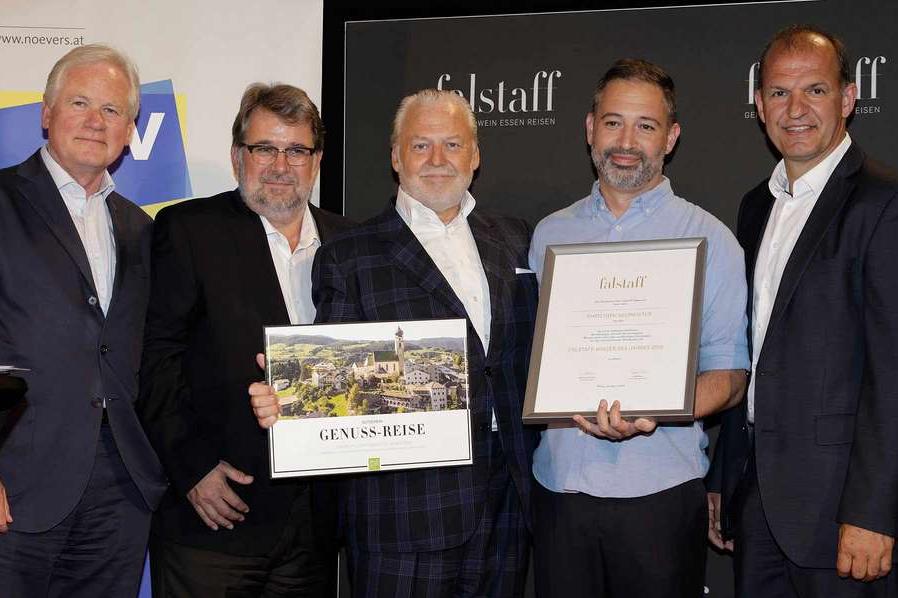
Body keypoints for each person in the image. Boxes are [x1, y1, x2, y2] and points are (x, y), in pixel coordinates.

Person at [250, 88, 540, 597]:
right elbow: (335, 382)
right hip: (404, 513)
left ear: (475, 155)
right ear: (395, 157)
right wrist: (289, 401)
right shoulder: (349, 254)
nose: (437, 159)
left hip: (508, 502)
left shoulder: (516, 239)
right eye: (420, 145)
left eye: (453, 145)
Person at [527, 59, 749, 598]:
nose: (626, 142)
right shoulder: (549, 235)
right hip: (560, 491)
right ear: (590, 129)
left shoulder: (712, 239)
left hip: (661, 495)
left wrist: (659, 408)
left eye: (645, 126)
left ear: (670, 138)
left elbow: (730, 375)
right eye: (613, 122)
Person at [138, 83, 353, 597]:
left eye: (296, 150)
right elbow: (154, 360)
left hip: (316, 523)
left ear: (317, 160)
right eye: (264, 149)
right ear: (238, 156)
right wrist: (193, 470)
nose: (281, 165)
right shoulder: (190, 229)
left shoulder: (351, 241)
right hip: (216, 515)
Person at [709, 25, 898, 597]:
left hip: (843, 512)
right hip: (759, 502)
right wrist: (725, 477)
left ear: (848, 98)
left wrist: (874, 512)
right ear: (759, 103)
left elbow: (893, 372)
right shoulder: (755, 206)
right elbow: (753, 350)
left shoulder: (883, 202)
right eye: (778, 92)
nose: (794, 109)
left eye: (814, 90)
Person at [0, 44, 168, 597]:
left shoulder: (140, 228)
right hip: (16, 484)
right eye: (80, 103)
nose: (96, 121)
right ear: (46, 113)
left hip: (120, 491)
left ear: (130, 130)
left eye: (112, 109)